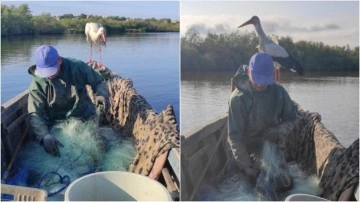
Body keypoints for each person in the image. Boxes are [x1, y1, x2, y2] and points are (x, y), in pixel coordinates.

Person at [27, 45, 109, 157]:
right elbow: (35, 114)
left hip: (84, 115)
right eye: (45, 72)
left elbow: (98, 82)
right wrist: (44, 136)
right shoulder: (37, 83)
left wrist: (101, 95)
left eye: (51, 70)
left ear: (59, 60)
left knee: (97, 148)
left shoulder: (77, 67)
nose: (49, 75)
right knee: (54, 152)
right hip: (56, 122)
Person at [227, 52, 297, 182]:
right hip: (246, 151)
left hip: (272, 147)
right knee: (247, 185)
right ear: (248, 72)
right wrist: (247, 166)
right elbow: (234, 136)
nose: (260, 85)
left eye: (265, 80)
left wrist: (278, 131)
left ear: (272, 75)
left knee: (284, 184)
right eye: (257, 79)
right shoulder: (237, 99)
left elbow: (292, 118)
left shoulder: (279, 92)